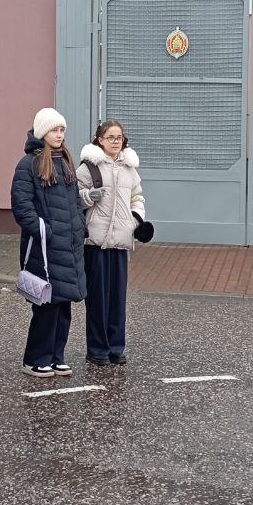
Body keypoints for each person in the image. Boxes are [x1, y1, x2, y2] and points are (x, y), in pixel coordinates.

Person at [11, 108, 86, 379]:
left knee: (63, 304)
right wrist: (44, 230)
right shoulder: (28, 164)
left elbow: (75, 200)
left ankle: (56, 356)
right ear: (42, 132)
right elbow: (22, 206)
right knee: (46, 305)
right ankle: (35, 359)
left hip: (69, 244)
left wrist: (79, 226)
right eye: (54, 129)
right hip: (45, 246)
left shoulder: (64, 160)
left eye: (62, 130)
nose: (59, 134)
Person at [77, 120, 147, 367]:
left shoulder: (130, 168)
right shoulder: (89, 167)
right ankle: (97, 349)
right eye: (111, 137)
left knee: (117, 299)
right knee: (98, 298)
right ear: (100, 140)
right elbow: (74, 197)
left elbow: (137, 197)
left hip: (120, 241)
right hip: (95, 242)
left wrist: (136, 220)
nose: (116, 141)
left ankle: (116, 347)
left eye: (119, 137)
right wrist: (88, 196)